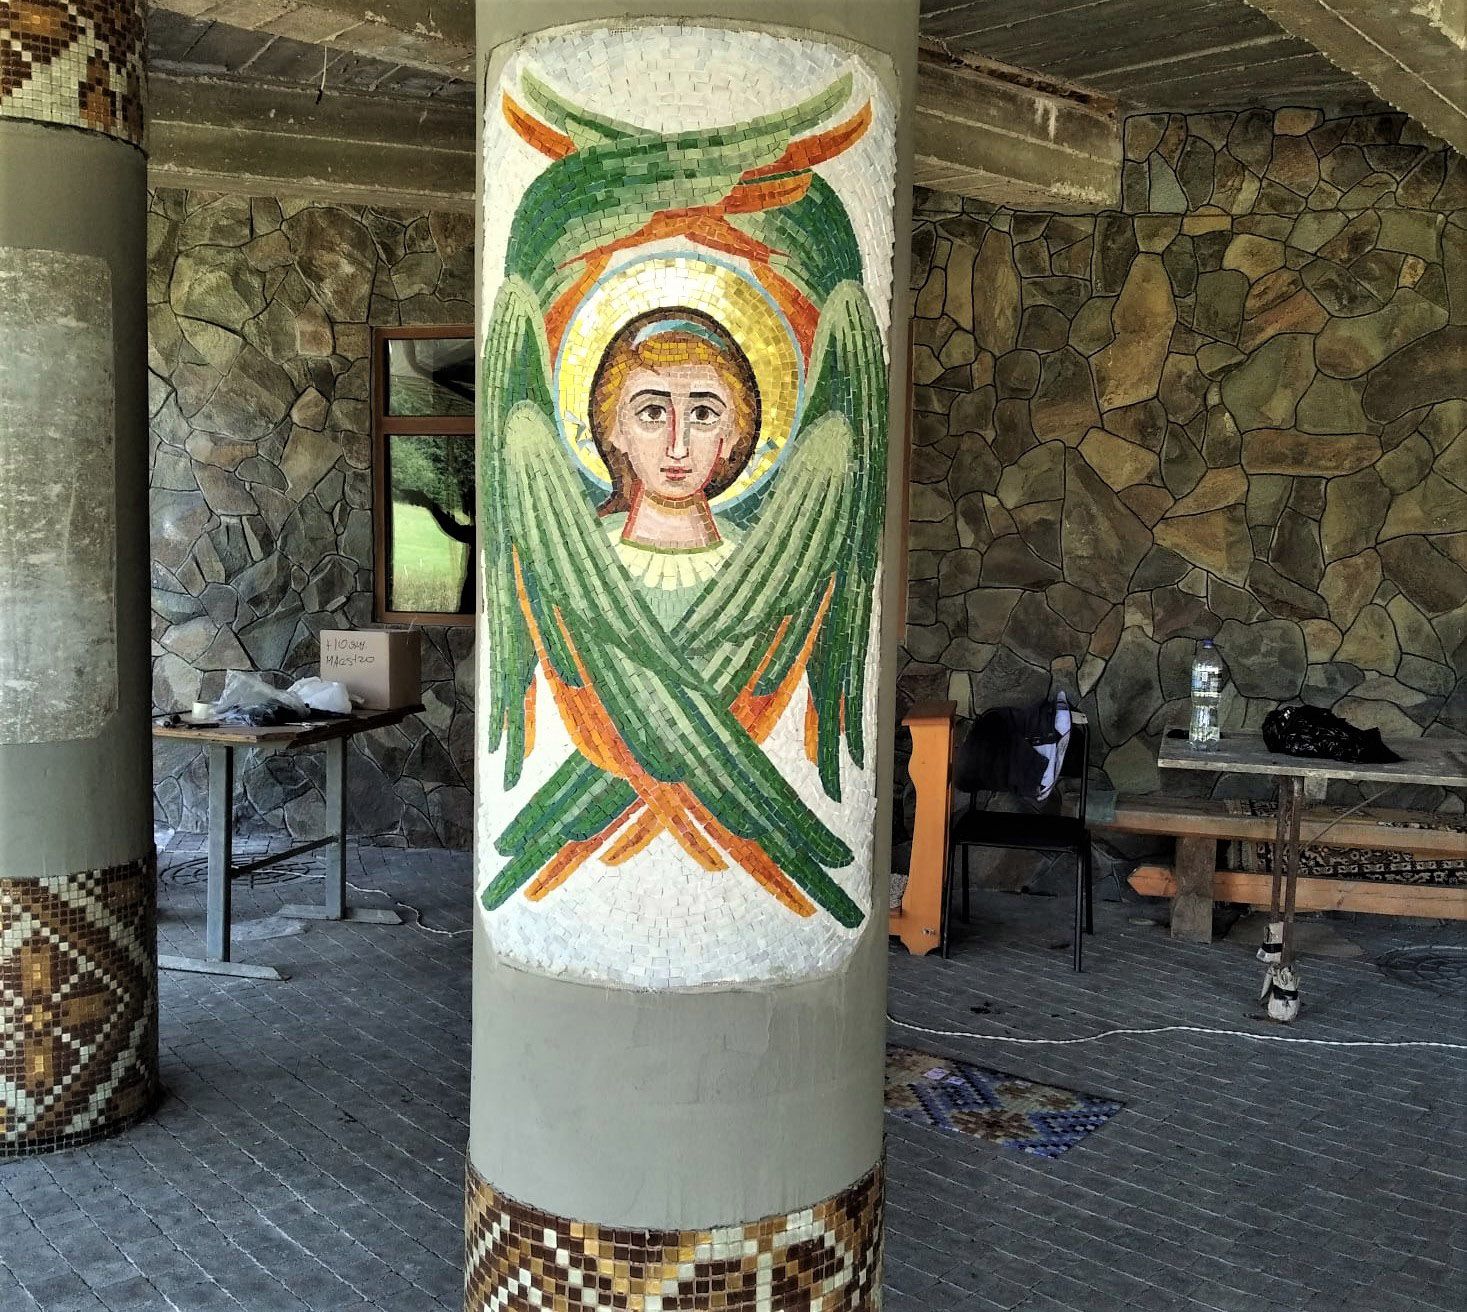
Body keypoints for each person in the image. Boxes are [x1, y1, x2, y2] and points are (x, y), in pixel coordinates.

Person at [587, 309, 760, 626]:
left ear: (733, 433)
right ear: (615, 429)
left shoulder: (754, 565)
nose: (678, 447)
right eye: (653, 413)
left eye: (703, 414)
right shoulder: (584, 556)